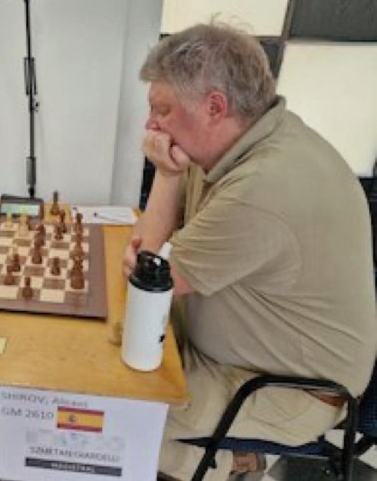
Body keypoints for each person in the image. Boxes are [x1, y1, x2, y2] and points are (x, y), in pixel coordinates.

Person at [123, 23, 377, 480]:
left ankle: (233, 464)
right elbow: (149, 260)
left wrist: (165, 172)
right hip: (241, 351)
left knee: (109, 415)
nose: (151, 125)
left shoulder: (263, 186)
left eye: (162, 110)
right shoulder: (237, 142)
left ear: (214, 108)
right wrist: (172, 173)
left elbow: (146, 274)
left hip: (284, 390)